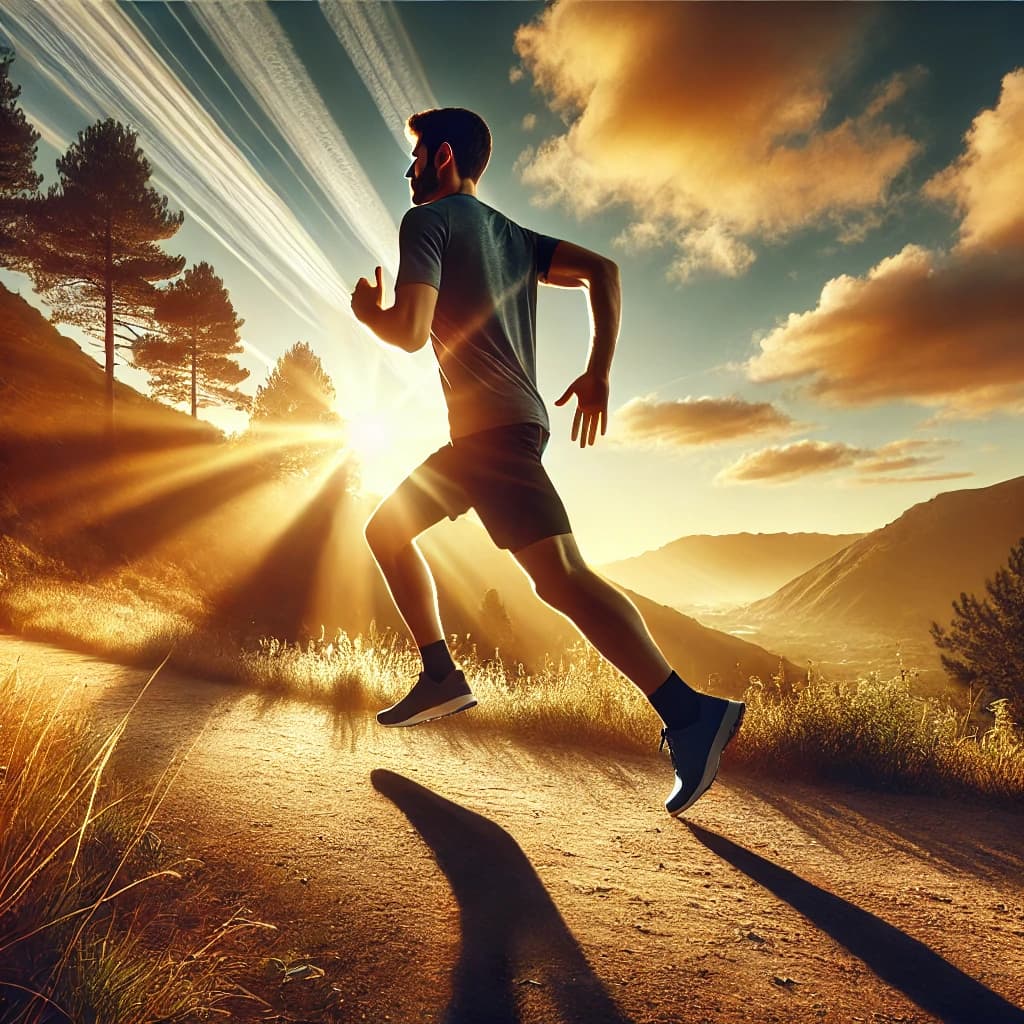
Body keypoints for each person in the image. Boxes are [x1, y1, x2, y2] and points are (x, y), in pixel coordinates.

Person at [350, 107, 743, 815]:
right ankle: (440, 675)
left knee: (561, 579)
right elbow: (603, 269)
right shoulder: (512, 235)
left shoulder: (427, 223)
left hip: (491, 435)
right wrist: (599, 371)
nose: (407, 172)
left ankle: (690, 716)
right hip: (497, 434)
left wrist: (370, 315)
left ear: (441, 158)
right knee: (388, 531)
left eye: (414, 158)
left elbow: (409, 333)